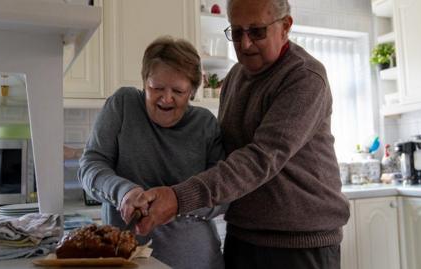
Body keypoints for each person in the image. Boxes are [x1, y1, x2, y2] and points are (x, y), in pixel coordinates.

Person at [132, 0, 350, 268]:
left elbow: (261, 158)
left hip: (300, 244)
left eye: (257, 31)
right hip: (242, 238)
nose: (245, 44)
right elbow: (227, 154)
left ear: (285, 26)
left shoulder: (304, 76)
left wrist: (178, 197)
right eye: (236, 32)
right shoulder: (235, 76)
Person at [78, 36, 226, 269]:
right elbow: (90, 165)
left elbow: (223, 194)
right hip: (127, 262)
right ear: (144, 81)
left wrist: (179, 202)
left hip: (198, 263)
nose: (166, 98)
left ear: (193, 91)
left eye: (178, 90)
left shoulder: (205, 124)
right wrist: (124, 193)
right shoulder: (123, 105)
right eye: (156, 87)